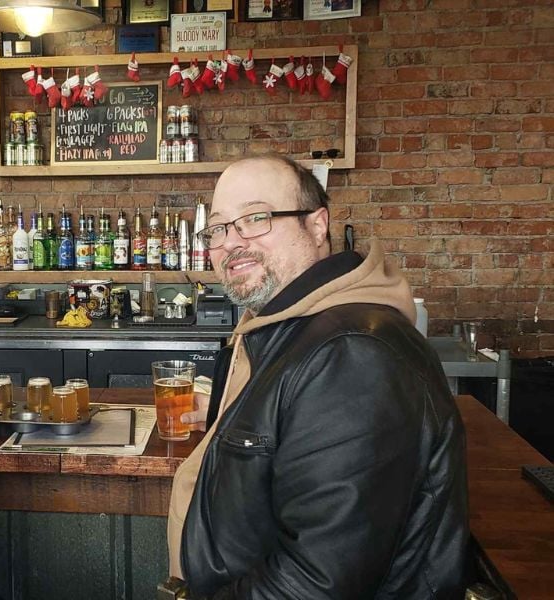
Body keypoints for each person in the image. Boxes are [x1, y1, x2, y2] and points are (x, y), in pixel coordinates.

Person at [169, 153, 469, 598]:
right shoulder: (293, 325)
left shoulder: (352, 353)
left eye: (255, 218)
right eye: (218, 228)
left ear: (316, 225)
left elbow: (316, 581)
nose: (231, 242)